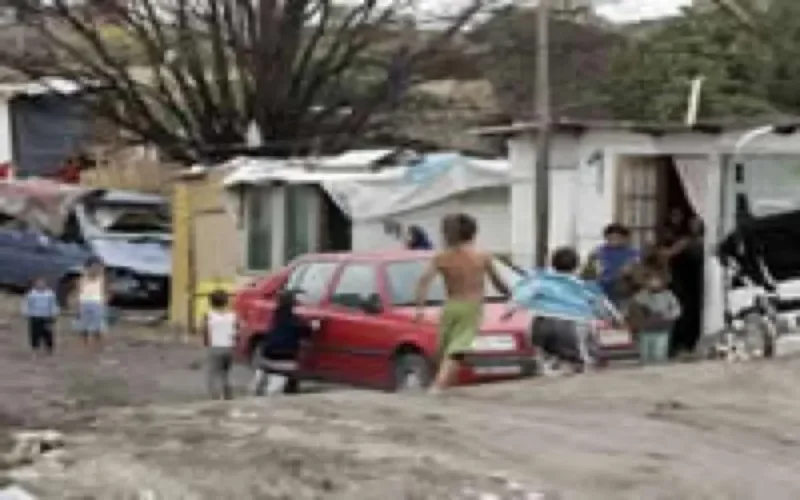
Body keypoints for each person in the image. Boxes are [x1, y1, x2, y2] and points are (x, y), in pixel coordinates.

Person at [414, 213, 510, 394]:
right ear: (473, 233)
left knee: (443, 349)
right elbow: (498, 283)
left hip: (450, 306)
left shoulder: (441, 257)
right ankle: (438, 387)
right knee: (457, 349)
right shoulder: (482, 256)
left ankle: (439, 384)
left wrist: (420, 308)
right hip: (471, 307)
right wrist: (512, 295)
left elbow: (423, 281)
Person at [503, 247, 620, 373]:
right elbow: (601, 305)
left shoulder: (540, 279)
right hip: (573, 323)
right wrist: (615, 319)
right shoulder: (584, 285)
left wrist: (510, 309)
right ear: (577, 266)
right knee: (577, 360)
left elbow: (522, 295)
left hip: (541, 322)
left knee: (545, 358)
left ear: (552, 264)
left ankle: (548, 374)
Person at [250, 291, 312, 397]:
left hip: (267, 353)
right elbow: (306, 333)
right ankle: (272, 396)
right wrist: (312, 325)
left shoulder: (275, 316)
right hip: (285, 358)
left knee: (261, 378)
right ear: (293, 304)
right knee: (276, 386)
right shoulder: (295, 321)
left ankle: (255, 392)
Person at [627, 271, 681, 365]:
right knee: (645, 357)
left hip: (662, 331)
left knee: (659, 355)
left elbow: (677, 310)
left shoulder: (668, 295)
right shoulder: (641, 296)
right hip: (645, 331)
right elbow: (632, 309)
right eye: (651, 280)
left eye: (656, 280)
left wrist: (667, 315)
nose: (653, 282)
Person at [590, 223, 640, 304]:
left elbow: (633, 267)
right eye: (610, 238)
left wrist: (630, 267)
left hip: (623, 284)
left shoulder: (632, 252)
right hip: (603, 283)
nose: (613, 241)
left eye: (617, 238)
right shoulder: (600, 250)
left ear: (625, 239)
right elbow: (593, 266)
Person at [201, 289, 237, 400]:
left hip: (215, 347)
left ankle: (215, 398)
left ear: (211, 302)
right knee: (226, 373)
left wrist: (207, 344)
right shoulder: (233, 315)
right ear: (226, 301)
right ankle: (228, 395)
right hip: (229, 347)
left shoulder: (208, 316)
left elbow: (206, 332)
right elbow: (237, 330)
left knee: (213, 374)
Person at [76, 257, 109, 350]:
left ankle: (99, 345)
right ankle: (85, 345)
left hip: (97, 303)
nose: (97, 269)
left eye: (98, 267)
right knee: (84, 326)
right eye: (94, 266)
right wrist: (78, 306)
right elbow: (79, 292)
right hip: (84, 303)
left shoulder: (101, 278)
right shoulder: (83, 278)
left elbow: (104, 291)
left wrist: (104, 301)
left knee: (99, 326)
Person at [21, 277, 59, 356]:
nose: (40, 285)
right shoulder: (31, 294)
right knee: (35, 334)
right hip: (35, 317)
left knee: (48, 334)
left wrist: (54, 314)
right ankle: (35, 351)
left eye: (42, 283)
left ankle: (49, 349)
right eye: (38, 283)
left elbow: (53, 305)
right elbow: (26, 304)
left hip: (46, 317)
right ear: (35, 285)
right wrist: (25, 313)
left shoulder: (50, 294)